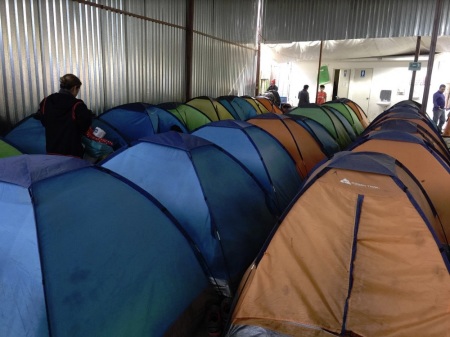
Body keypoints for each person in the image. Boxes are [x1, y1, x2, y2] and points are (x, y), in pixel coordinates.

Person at [36, 74, 92, 158]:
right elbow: (85, 126)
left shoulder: (46, 101)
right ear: (74, 88)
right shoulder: (77, 105)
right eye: (78, 89)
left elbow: (44, 120)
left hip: (52, 152)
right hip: (72, 153)